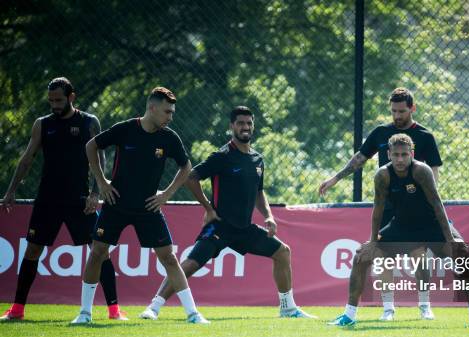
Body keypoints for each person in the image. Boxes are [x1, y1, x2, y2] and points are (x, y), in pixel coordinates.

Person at [139, 106, 315, 320]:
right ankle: (154, 307)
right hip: (220, 226)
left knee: (283, 252)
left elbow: (259, 192)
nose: (245, 127)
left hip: (244, 229)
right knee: (192, 263)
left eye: (249, 123)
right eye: (241, 123)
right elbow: (191, 177)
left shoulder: (258, 159)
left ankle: (288, 308)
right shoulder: (222, 156)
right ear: (232, 126)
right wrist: (208, 208)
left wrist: (268, 216)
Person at [70, 87, 207, 324]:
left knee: (170, 259)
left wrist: (166, 194)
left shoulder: (169, 138)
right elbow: (91, 146)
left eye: (172, 112)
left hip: (149, 207)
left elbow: (186, 167)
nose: (170, 117)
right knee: (97, 253)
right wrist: (102, 182)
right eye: (167, 111)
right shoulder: (125, 129)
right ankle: (84, 314)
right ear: (152, 108)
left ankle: (193, 314)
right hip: (116, 204)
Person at [0, 77, 126, 321]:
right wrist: (11, 190)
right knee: (33, 250)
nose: (54, 105)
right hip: (47, 199)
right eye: (51, 101)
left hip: (80, 200)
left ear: (71, 97)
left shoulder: (89, 122)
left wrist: (95, 193)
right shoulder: (42, 124)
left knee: (100, 251)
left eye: (59, 100)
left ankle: (114, 310)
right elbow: (27, 158)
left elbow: (99, 160)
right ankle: (17, 309)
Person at [328, 134, 469, 328]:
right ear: (388, 155)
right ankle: (349, 315)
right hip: (402, 225)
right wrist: (373, 241)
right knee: (361, 255)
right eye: (395, 155)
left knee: (463, 254)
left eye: (404, 154)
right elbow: (378, 210)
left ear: (412, 154)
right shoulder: (382, 175)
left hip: (431, 224)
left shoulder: (421, 171)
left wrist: (450, 238)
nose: (400, 159)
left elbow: (437, 204)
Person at [319, 87, 446, 321]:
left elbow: (434, 173)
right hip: (389, 206)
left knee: (419, 254)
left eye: (402, 111)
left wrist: (430, 203)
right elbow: (360, 158)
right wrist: (335, 178)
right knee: (383, 257)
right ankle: (388, 309)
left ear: (412, 109)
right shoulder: (380, 133)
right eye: (393, 111)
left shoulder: (426, 136)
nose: (397, 116)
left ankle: (425, 306)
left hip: (416, 210)